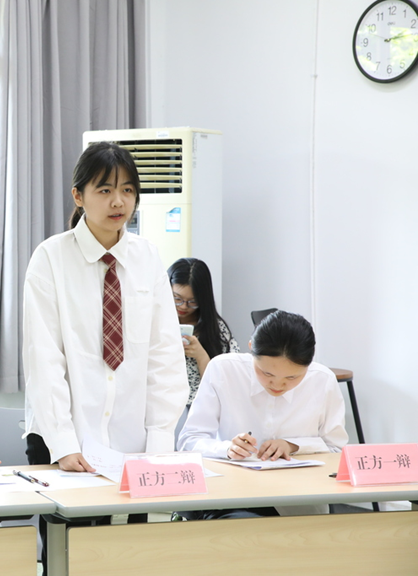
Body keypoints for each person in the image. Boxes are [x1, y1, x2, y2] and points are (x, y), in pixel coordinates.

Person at [23, 142, 188, 572]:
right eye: (105, 190)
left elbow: (165, 355)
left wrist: (159, 440)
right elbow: (44, 359)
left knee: (131, 559)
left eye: (128, 190)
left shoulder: (147, 257)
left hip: (134, 442)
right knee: (72, 561)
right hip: (66, 441)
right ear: (78, 196)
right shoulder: (50, 258)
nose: (119, 202)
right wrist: (63, 443)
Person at [177, 310, 348, 519]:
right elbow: (189, 440)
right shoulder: (224, 370)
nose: (277, 384)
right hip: (231, 497)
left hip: (297, 501)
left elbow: (336, 450)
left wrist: (293, 446)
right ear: (251, 348)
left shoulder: (322, 380)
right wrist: (227, 448)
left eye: (292, 377)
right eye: (267, 373)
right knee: (243, 525)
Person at [168, 257, 239, 438]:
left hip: (200, 406)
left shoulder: (215, 329)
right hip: (162, 401)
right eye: (177, 299)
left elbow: (229, 381)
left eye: (193, 301)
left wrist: (201, 356)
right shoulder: (155, 322)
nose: (184, 307)